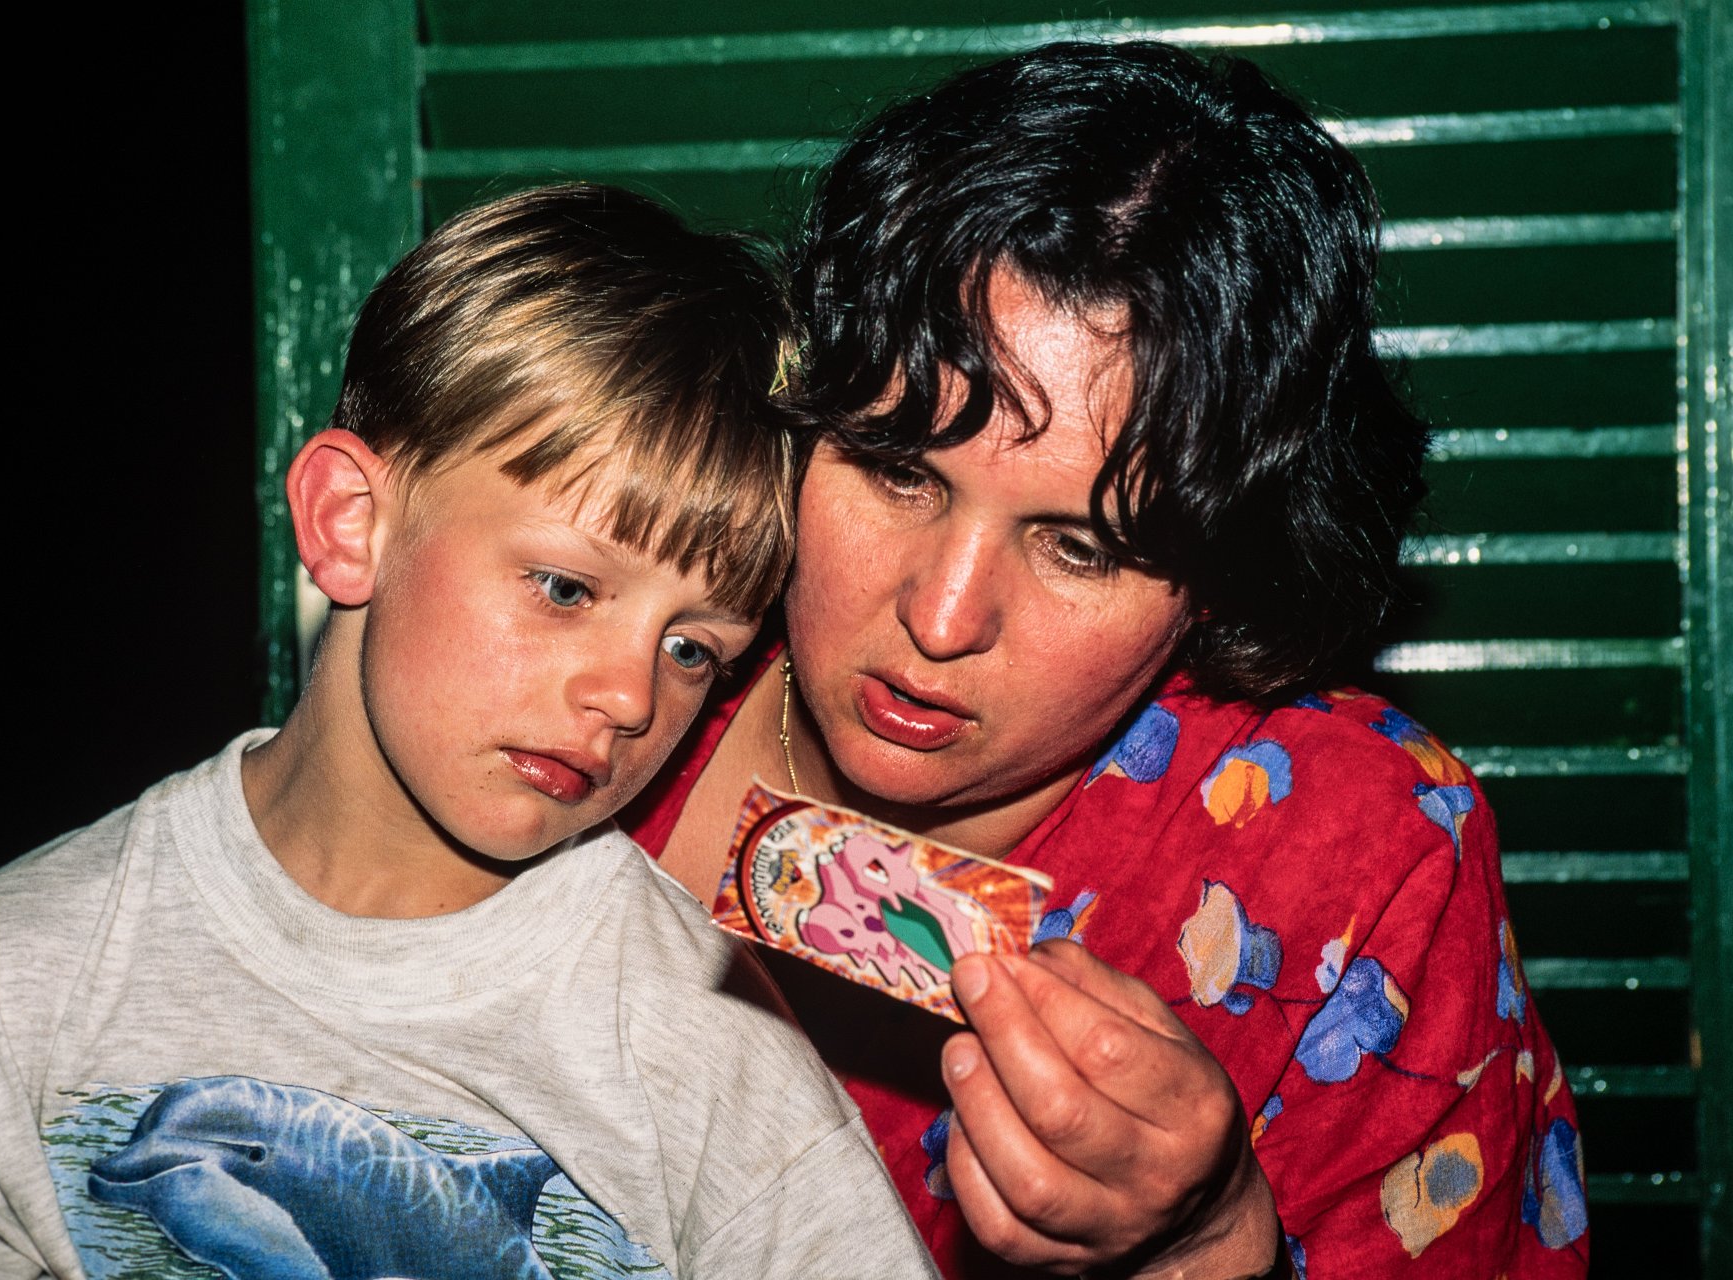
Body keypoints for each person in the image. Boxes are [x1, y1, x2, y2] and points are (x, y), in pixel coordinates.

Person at [0, 184, 937, 1280]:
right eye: (564, 587)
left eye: (691, 648)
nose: (630, 697)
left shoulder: (707, 1043)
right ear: (351, 522)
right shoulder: (8, 985)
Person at [626, 42, 1587, 1279]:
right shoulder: (619, 657)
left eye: (1079, 547)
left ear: (1218, 575)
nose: (942, 616)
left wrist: (1211, 1239)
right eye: (898, 470)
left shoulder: (1357, 853)